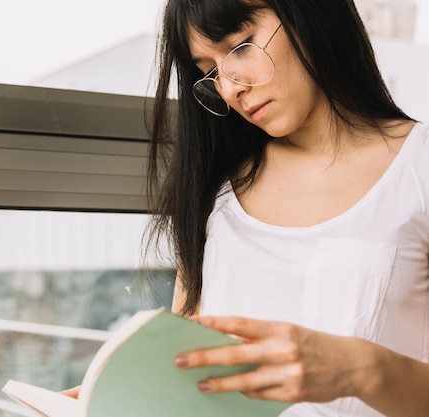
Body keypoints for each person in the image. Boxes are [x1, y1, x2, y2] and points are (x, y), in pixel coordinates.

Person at [143, 0, 429, 416]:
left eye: (240, 46)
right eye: (209, 71)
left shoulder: (418, 169)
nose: (229, 87)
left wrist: (361, 369)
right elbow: (192, 382)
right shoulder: (215, 193)